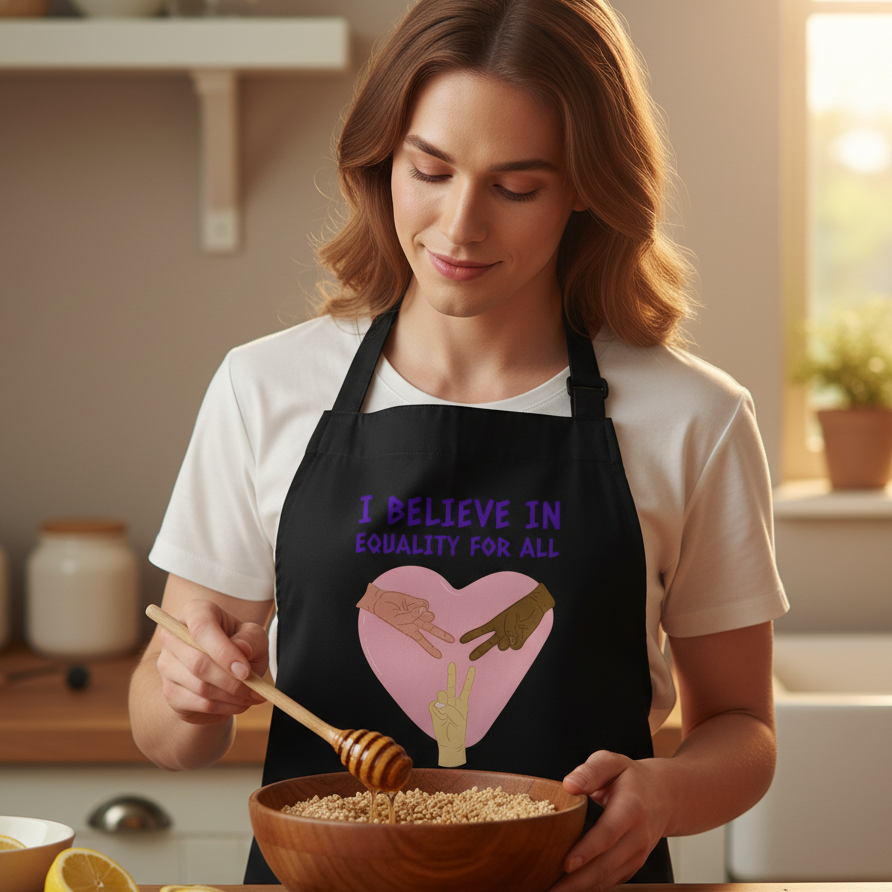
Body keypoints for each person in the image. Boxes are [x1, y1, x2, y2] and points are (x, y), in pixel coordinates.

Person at [129, 0, 789, 888]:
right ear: (383, 156)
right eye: (429, 170)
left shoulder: (693, 418)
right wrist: (189, 695)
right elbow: (165, 730)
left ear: (588, 183)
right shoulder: (264, 389)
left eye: (516, 187)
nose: (459, 226)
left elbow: (743, 727)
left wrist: (666, 793)